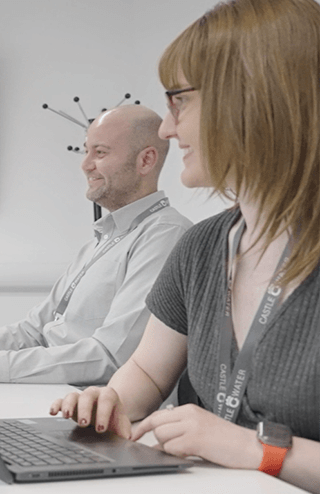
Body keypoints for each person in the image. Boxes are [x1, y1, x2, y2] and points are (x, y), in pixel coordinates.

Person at [49, 0, 320, 491]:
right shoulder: (201, 247)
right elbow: (149, 374)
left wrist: (256, 448)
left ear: (256, 99)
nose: (168, 129)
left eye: (180, 102)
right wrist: (110, 402)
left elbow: (241, 446)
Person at [0, 104, 192, 384]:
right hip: (57, 392)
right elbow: (33, 332)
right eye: (86, 151)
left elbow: (112, 357)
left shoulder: (164, 236)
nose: (85, 164)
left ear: (146, 161)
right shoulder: (102, 240)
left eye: (101, 152)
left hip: (94, 407)